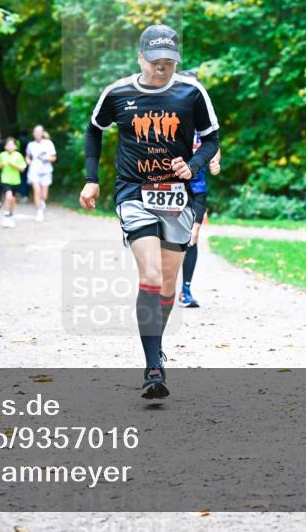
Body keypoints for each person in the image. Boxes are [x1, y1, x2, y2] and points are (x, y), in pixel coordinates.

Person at [80, 23, 219, 399]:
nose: (162, 69)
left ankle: (155, 348)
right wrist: (92, 179)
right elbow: (94, 129)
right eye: (155, 62)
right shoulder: (118, 93)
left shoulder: (192, 92)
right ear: (140, 57)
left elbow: (211, 140)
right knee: (152, 275)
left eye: (169, 63)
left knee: (169, 285)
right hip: (134, 193)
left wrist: (193, 166)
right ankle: (152, 367)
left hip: (177, 197)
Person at [180, 129, 221, 307]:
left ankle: (185, 291)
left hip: (198, 191)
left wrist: (215, 161)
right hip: (175, 190)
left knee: (193, 236)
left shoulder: (203, 125)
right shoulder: (177, 120)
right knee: (168, 239)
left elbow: (215, 146)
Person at [25, 125, 57, 222]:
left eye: (39, 132)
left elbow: (54, 158)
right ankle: (39, 212)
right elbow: (27, 156)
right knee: (37, 191)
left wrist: (46, 158)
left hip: (46, 171)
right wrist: (28, 161)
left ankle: (42, 203)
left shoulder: (49, 143)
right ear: (33, 133)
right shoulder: (30, 145)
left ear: (42, 133)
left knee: (44, 195)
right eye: (36, 132)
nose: (38, 134)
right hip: (34, 171)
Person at [0, 137, 27, 228]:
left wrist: (13, 165)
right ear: (5, 146)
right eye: (8, 144)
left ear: (15, 147)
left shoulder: (18, 156)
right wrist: (2, 164)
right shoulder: (2, 155)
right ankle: (6, 215)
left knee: (13, 200)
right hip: (5, 179)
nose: (10, 146)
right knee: (8, 196)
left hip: (15, 180)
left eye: (12, 144)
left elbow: (22, 169)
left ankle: (11, 215)